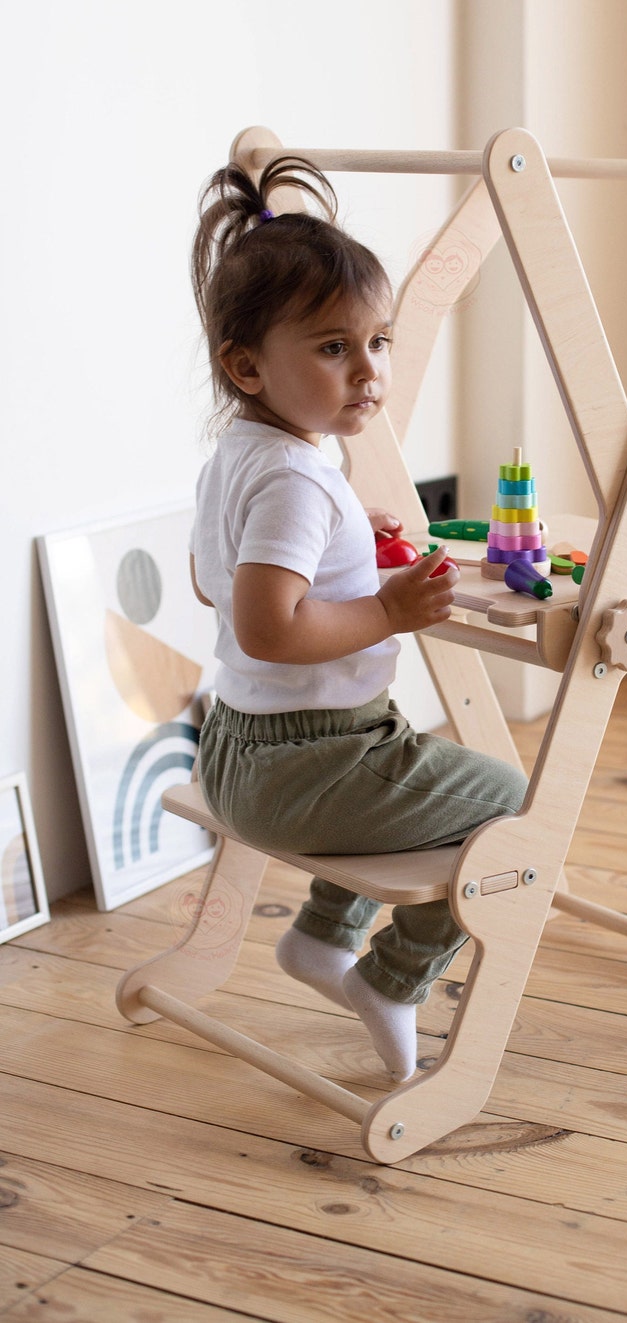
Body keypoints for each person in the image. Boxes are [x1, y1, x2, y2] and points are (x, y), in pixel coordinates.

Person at [188, 156, 527, 1083]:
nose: (369, 371)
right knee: (515, 805)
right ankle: (393, 974)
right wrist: (383, 607)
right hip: (306, 759)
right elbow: (267, 628)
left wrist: (342, 542)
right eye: (334, 348)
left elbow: (210, 579)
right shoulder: (297, 476)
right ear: (246, 363)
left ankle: (320, 936)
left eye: (378, 342)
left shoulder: (247, 455)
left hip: (240, 746)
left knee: (418, 763)